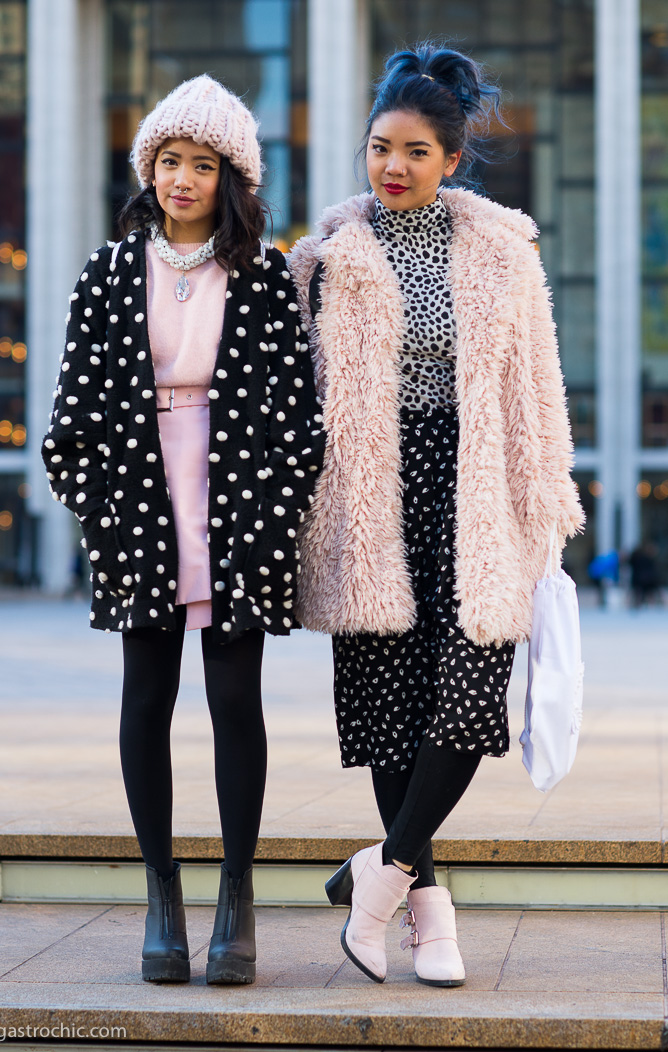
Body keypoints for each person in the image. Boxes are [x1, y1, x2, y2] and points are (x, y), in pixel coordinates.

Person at [288, 43, 583, 987]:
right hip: (371, 497)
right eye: (380, 147)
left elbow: (539, 390)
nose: (393, 166)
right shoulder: (330, 256)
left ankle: (378, 879)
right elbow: (299, 395)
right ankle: (427, 914)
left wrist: (547, 511)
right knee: (389, 712)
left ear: (451, 158)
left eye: (415, 150)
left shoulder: (504, 251)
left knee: (465, 698)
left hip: (478, 496)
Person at [42, 75, 324, 986]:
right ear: (148, 169)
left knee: (235, 696)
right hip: (138, 500)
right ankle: (162, 894)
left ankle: (235, 899)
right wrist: (96, 502)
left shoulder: (267, 274)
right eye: (169, 160)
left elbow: (298, 418)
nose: (183, 179)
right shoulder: (110, 269)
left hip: (236, 504)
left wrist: (276, 515)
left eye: (203, 164)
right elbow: (71, 411)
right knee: (146, 694)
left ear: (231, 177)